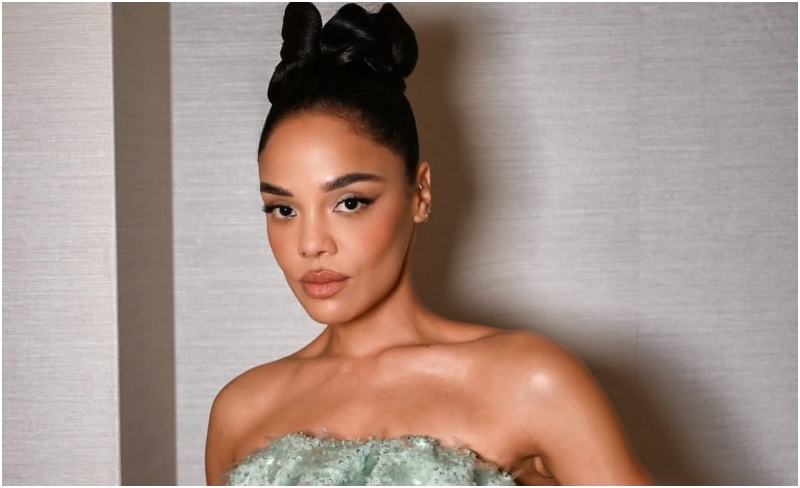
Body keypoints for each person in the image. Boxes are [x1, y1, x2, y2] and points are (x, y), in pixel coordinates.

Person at [205, 2, 652, 485]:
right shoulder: (241, 411)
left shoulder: (532, 382)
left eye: (349, 202)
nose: (310, 244)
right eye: (283, 209)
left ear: (420, 193)